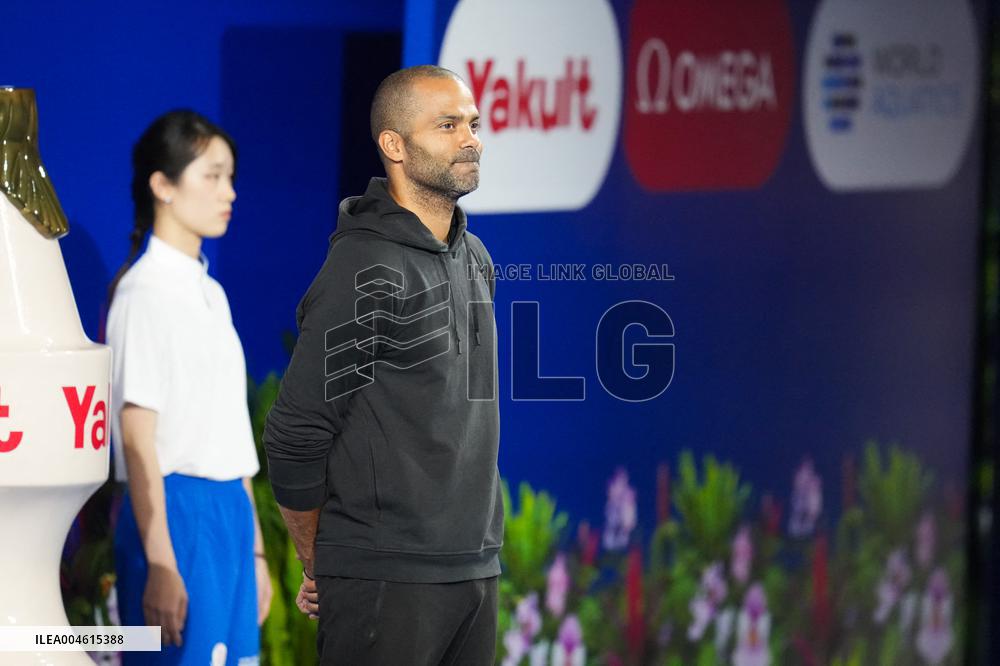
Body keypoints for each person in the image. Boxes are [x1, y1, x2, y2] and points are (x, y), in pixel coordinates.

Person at [263, 64, 502, 665]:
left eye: (472, 123)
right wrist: (324, 560)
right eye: (447, 125)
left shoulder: (475, 256)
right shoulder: (364, 269)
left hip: (474, 573)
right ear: (393, 146)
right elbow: (295, 433)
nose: (470, 138)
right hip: (384, 579)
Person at [106, 110, 272, 666]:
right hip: (176, 517)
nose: (230, 192)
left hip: (229, 513)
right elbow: (136, 437)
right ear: (163, 185)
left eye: (231, 177)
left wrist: (255, 555)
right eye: (212, 175)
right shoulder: (142, 293)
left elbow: (229, 435)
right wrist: (161, 561)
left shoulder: (212, 294)